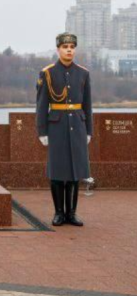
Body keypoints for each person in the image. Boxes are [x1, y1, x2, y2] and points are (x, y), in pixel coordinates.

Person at [36, 32, 92, 227]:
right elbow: (42, 105)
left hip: (77, 125)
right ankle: (59, 213)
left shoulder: (83, 73)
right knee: (58, 171)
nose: (69, 50)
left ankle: (72, 213)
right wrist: (42, 131)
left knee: (75, 172)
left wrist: (89, 131)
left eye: (72, 47)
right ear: (58, 49)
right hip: (57, 126)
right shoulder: (48, 73)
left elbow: (87, 104)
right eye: (65, 47)